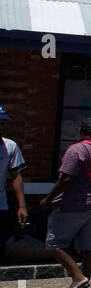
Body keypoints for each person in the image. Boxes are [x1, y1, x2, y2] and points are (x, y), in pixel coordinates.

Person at [40, 119, 91, 288]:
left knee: (54, 244)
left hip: (73, 204)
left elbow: (66, 179)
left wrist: (48, 198)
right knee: (90, 246)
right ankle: (84, 283)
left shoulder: (76, 150)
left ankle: (78, 277)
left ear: (81, 131)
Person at [0, 106, 29, 261]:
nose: (2, 126)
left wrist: (22, 206)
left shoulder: (10, 146)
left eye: (4, 123)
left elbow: (16, 176)